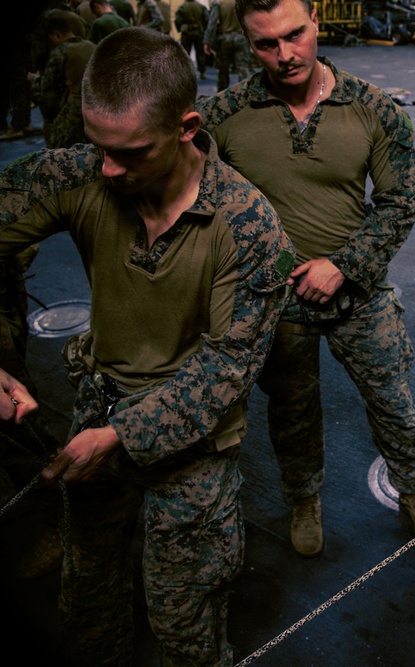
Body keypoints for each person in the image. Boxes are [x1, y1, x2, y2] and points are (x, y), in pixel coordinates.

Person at [0, 26, 294, 666]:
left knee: (183, 618)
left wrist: (118, 436)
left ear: (188, 127)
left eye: (130, 152)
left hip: (193, 446)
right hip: (97, 411)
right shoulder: (87, 173)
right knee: (88, 593)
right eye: (97, 147)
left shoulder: (248, 228)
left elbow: (225, 371)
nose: (108, 169)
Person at [197, 0, 415, 557]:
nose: (285, 55)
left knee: (393, 402)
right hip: (275, 299)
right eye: (266, 44)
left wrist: (345, 265)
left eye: (295, 35)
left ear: (316, 21)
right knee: (291, 410)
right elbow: (194, 203)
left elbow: (400, 200)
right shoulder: (222, 116)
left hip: (360, 295)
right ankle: (303, 499)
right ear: (246, 40)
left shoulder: (372, 108)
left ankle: (414, 493)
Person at [28, 10, 95, 148]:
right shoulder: (92, 46)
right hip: (97, 103)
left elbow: (46, 84)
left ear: (56, 34)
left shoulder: (62, 51)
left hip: (76, 106)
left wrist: (33, 79)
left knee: (56, 143)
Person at [204, 0, 251, 92]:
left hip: (224, 39)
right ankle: (247, 94)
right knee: (243, 69)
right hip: (240, 38)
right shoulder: (242, 3)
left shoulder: (219, 4)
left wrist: (208, 42)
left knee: (223, 71)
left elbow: (212, 23)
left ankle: (221, 97)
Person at [175, 0, 209, 79]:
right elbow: (206, 18)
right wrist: (203, 28)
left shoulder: (182, 7)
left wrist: (179, 28)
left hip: (186, 32)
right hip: (198, 32)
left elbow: (178, 20)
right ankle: (202, 71)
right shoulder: (200, 6)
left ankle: (185, 72)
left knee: (185, 53)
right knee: (200, 52)